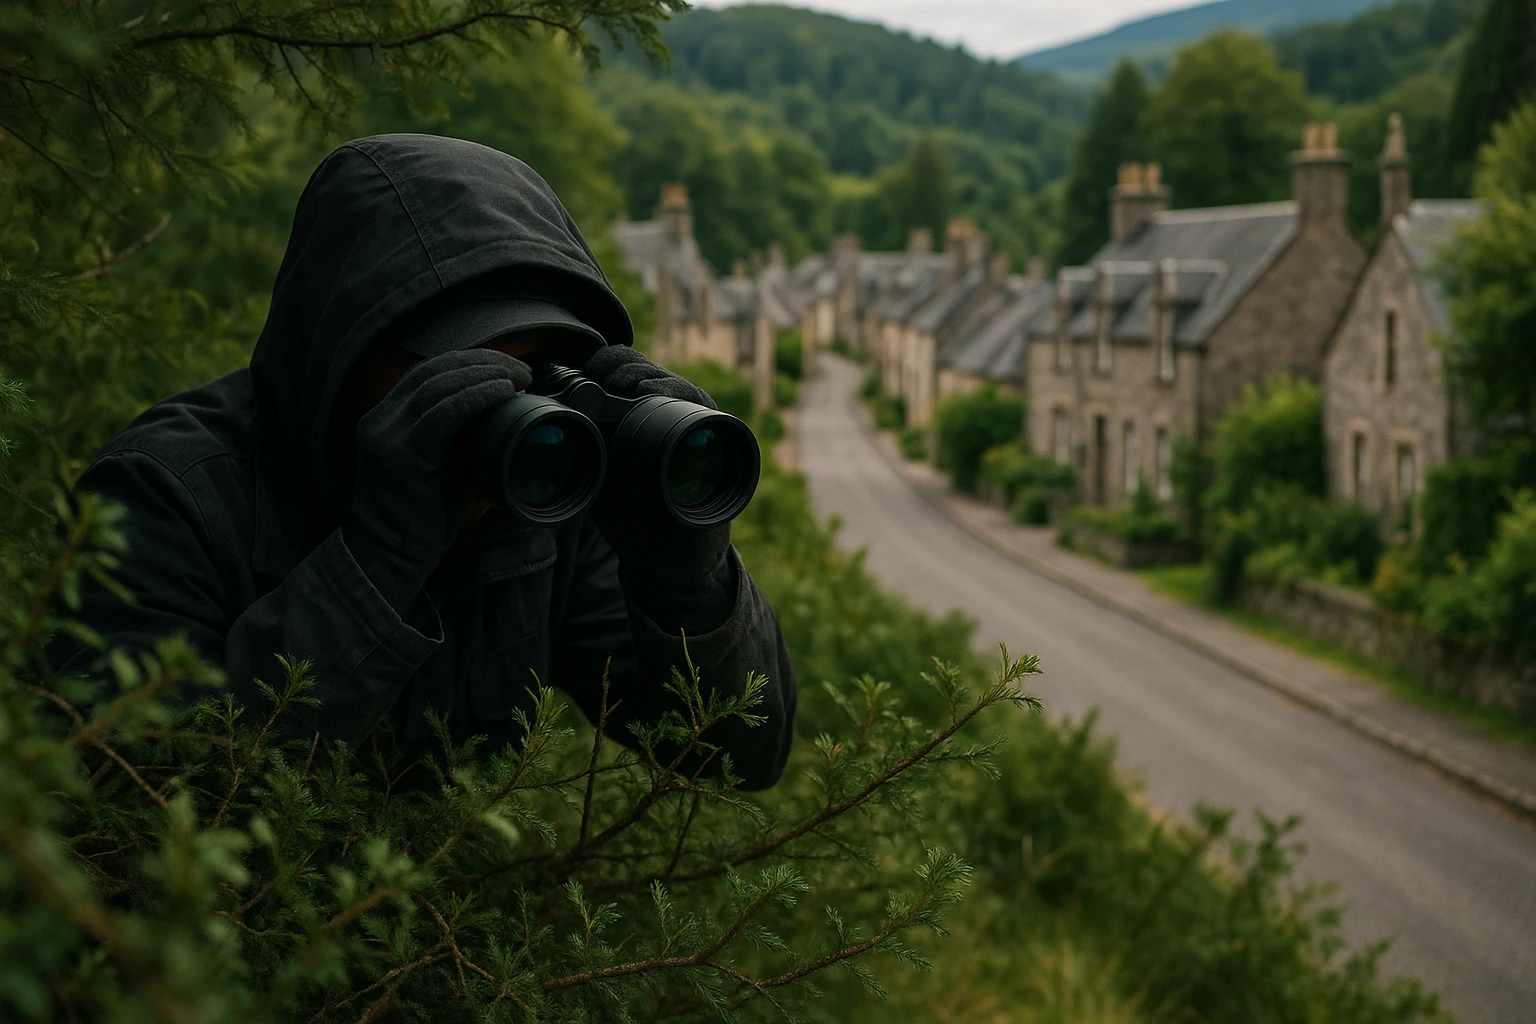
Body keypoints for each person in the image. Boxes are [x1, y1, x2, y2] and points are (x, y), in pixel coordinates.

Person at [55, 134, 796, 789]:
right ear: (344, 352)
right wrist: (377, 562)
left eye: (541, 372)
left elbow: (737, 756)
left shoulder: (546, 490)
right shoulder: (160, 497)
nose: (508, 411)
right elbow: (144, 818)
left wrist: (687, 582)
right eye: (467, 374)